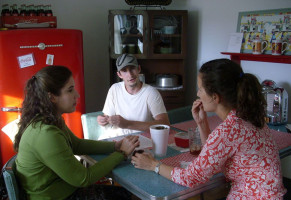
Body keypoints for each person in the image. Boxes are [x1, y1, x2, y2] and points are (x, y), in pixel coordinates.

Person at [131, 59, 287, 199]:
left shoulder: (229, 130)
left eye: (200, 89)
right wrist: (202, 123)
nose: (197, 93)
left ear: (215, 97)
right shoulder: (248, 116)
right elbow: (213, 155)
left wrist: (153, 165)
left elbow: (191, 178)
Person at [14, 66, 140, 200]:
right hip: (56, 197)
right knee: (132, 196)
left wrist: (114, 146)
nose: (77, 95)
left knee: (129, 194)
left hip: (65, 190)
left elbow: (76, 145)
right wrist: (121, 153)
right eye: (70, 90)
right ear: (52, 97)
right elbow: (84, 178)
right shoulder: (45, 134)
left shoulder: (51, 119)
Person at [97, 54, 169, 137]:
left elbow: (165, 124)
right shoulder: (114, 89)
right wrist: (102, 120)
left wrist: (127, 124)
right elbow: (107, 116)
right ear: (119, 75)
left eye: (132, 68)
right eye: (124, 70)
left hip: (141, 140)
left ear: (139, 69)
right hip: (116, 139)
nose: (130, 74)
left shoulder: (151, 92)